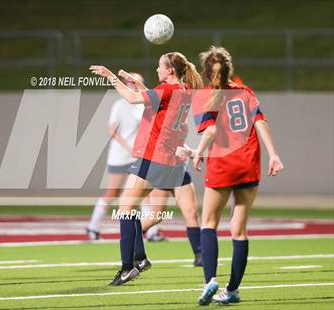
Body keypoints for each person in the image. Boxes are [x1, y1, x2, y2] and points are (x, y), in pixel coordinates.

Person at [90, 51, 203, 286]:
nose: (157, 70)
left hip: (153, 156)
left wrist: (110, 75)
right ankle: (139, 258)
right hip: (165, 158)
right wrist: (137, 84)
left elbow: (132, 99)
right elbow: (153, 101)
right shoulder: (183, 91)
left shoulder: (167, 91)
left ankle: (128, 267)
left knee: (125, 209)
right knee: (130, 208)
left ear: (170, 70)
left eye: (160, 67)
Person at [184, 46, 283, 305]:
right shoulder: (245, 91)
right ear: (229, 70)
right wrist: (274, 155)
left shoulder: (204, 96)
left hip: (222, 165)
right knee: (239, 231)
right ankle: (233, 290)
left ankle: (210, 281)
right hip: (249, 163)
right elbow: (261, 123)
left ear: (206, 73)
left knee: (208, 223)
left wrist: (198, 153)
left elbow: (210, 131)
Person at [86, 73, 166, 242]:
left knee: (144, 194)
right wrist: (129, 147)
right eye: (131, 82)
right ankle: (93, 226)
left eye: (138, 83)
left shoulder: (142, 105)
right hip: (120, 156)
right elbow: (112, 131)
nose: (135, 85)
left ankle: (152, 232)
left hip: (138, 155)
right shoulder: (119, 105)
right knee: (113, 191)